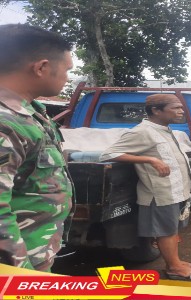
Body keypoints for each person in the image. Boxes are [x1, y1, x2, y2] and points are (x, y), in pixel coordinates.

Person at [100, 94, 191, 281]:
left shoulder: (166, 130)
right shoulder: (143, 131)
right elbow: (108, 154)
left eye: (181, 108)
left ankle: (176, 262)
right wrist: (149, 159)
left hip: (176, 190)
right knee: (165, 231)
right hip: (160, 193)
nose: (181, 111)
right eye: (175, 108)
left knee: (172, 228)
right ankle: (174, 269)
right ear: (156, 110)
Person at [0, 24, 74, 272]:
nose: (68, 78)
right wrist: (21, 275)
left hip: (34, 252)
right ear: (41, 67)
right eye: (67, 70)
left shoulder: (32, 113)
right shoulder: (6, 122)